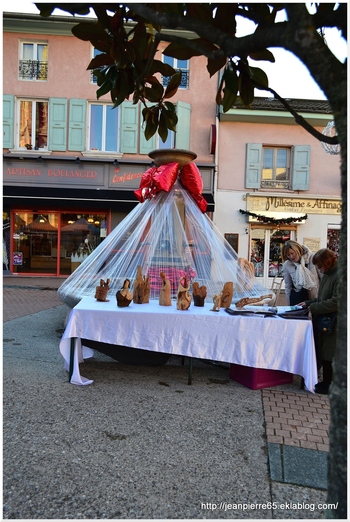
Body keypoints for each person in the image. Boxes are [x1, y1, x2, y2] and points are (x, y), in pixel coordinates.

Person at [298, 248, 338, 394]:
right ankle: (326, 382)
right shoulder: (328, 274)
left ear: (327, 263)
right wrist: (308, 303)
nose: (319, 269)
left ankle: (330, 384)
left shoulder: (340, 276)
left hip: (336, 322)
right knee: (325, 352)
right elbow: (323, 298)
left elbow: (336, 302)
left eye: (320, 266)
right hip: (327, 320)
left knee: (330, 353)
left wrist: (313, 307)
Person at [281, 240, 320, 306]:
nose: (291, 257)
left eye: (292, 253)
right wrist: (290, 305)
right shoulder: (287, 265)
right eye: (288, 255)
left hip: (316, 297)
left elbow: (323, 277)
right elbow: (288, 286)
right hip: (299, 298)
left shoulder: (313, 258)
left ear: (298, 250)